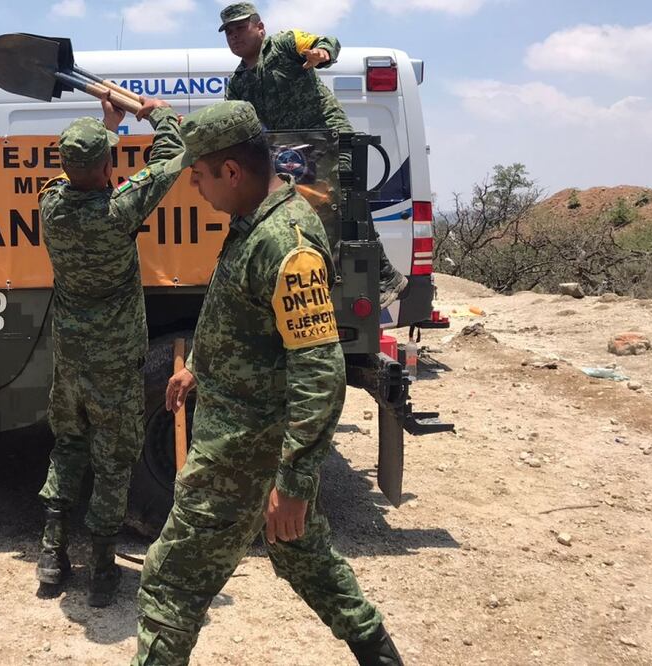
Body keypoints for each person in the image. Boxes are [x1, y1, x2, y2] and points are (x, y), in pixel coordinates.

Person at [131, 101, 403, 665]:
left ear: (232, 172)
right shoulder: (253, 223)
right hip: (250, 439)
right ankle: (378, 654)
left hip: (241, 451)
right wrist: (196, 368)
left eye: (199, 177)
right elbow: (244, 319)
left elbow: (318, 369)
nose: (197, 189)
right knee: (303, 555)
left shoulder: (287, 244)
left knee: (170, 583)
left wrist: (296, 480)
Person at [36, 91, 185, 608]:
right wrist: (158, 115)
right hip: (117, 365)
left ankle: (51, 559)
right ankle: (101, 573)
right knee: (115, 461)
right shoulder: (121, 209)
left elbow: (85, 175)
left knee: (68, 449)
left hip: (71, 360)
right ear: (105, 167)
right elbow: (169, 159)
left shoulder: (50, 204)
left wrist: (107, 127)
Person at [218, 1, 409, 307]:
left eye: (240, 28)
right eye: (228, 32)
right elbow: (235, 121)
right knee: (304, 212)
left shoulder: (285, 44)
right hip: (296, 151)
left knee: (345, 199)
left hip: (330, 136)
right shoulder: (239, 83)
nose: (234, 36)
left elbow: (326, 42)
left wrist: (321, 53)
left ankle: (385, 275)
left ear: (260, 27)